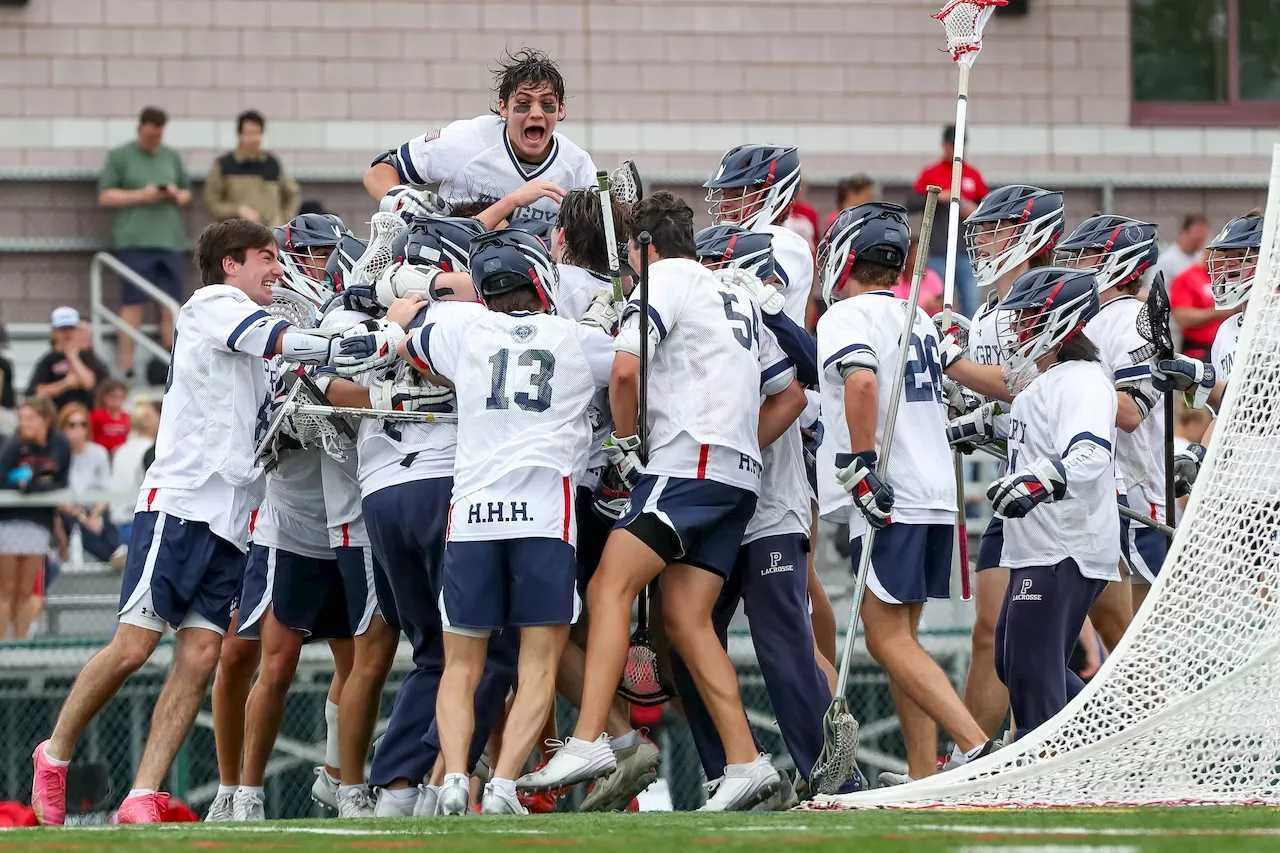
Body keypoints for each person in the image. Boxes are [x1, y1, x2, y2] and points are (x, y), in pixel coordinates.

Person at [29, 218, 408, 826]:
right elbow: (287, 344)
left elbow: (299, 384)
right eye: (265, 257)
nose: (278, 269)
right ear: (229, 264)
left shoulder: (256, 331)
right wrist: (381, 339)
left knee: (202, 656)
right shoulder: (214, 303)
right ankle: (54, 752)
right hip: (181, 503)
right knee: (133, 647)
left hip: (235, 519)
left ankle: (143, 794)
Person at [520, 192, 805, 812]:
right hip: (736, 477)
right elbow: (791, 397)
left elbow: (625, 370)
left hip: (686, 465)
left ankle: (592, 738)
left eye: (630, 253)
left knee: (605, 590)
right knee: (685, 620)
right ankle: (745, 760)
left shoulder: (666, 277)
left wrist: (626, 443)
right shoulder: (732, 291)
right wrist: (734, 444)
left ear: (644, 247)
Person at [395, 229, 618, 816]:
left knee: (460, 665)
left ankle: (452, 779)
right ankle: (502, 786)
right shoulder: (575, 336)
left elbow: (406, 329)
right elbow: (634, 362)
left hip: (472, 514)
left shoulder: (461, 329)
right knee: (537, 661)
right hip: (545, 512)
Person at [816, 202, 995, 786]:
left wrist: (863, 463)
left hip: (894, 491)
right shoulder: (916, 315)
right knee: (905, 640)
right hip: (934, 490)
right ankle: (923, 774)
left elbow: (862, 381)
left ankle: (973, 746)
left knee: (885, 637)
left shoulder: (846, 318)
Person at [940, 185, 1064, 759]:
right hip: (1015, 489)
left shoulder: (1052, 301)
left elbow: (1025, 383)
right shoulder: (988, 310)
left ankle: (1137, 737)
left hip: (1065, 496)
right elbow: (1004, 406)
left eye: (995, 229)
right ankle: (973, 756)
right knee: (991, 633)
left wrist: (956, 362)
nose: (982, 240)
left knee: (1116, 632)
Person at [986, 266, 1119, 736]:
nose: (1018, 329)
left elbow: (1089, 453)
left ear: (1060, 320)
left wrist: (1037, 483)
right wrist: (988, 427)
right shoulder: (1049, 381)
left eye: (1028, 318)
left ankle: (1046, 774)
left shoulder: (1081, 380)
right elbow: (1040, 437)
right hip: (1040, 546)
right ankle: (1108, 735)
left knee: (1031, 671)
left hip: (1064, 545)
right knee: (1013, 661)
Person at [1057, 215, 1164, 615]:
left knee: (1144, 634)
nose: (1076, 264)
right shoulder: (1090, 318)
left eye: (1087, 256)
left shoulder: (1131, 320)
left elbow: (1131, 410)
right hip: (1097, 484)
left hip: (1137, 488)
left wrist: (1069, 382)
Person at [363, 48, 596, 224]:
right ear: (503, 108)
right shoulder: (468, 140)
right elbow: (379, 171)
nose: (536, 113)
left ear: (561, 109)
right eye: (523, 104)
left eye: (547, 104)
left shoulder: (577, 165)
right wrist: (399, 198)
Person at [1153, 211, 1264, 489]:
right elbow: (1224, 418)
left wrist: (1200, 380)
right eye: (1228, 257)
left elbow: (1262, 409)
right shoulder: (1227, 331)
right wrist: (1201, 455)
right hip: (1241, 489)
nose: (1230, 267)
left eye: (1243, 257)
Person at [98, 107, 192, 381]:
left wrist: (174, 195)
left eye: (159, 136)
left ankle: (172, 365)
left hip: (169, 241)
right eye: (150, 135)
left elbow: (187, 194)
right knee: (133, 302)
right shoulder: (120, 156)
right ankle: (126, 368)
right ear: (140, 129)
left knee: (170, 305)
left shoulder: (170, 156)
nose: (155, 141)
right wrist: (142, 195)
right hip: (136, 241)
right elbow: (105, 196)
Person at [0, 397, 69, 640]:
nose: (24, 423)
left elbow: (60, 480)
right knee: (6, 590)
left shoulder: (59, 443)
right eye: (22, 418)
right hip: (9, 522)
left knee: (26, 590)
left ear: (45, 420)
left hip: (39, 522)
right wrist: (26, 483)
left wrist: (33, 486)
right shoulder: (14, 443)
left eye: (30, 418)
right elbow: (1, 477)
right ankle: (3, 648)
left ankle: (19, 644)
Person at [910, 124, 987, 318]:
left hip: (965, 251)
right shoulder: (932, 173)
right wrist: (937, 196)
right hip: (939, 251)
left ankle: (969, 344)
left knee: (970, 303)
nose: (954, 150)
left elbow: (987, 206)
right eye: (952, 145)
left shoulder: (972, 174)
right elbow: (911, 203)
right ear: (944, 146)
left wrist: (975, 210)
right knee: (939, 304)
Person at [204, 110, 301, 228]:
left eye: (257, 133)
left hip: (271, 235)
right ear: (240, 135)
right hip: (237, 235)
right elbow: (212, 203)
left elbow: (292, 193)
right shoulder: (224, 165)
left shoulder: (272, 163)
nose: (253, 139)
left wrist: (284, 220)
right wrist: (237, 210)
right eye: (249, 133)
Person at [55, 403, 117, 564]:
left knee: (107, 523)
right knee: (80, 525)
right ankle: (112, 558)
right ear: (62, 428)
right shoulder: (57, 455)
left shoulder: (99, 453)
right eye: (72, 425)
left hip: (94, 507)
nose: (78, 429)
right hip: (69, 510)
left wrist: (95, 514)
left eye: (83, 424)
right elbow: (59, 498)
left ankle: (117, 554)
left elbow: (105, 490)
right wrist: (83, 516)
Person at [26, 307, 108, 413]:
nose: (68, 334)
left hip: (86, 415)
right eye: (63, 329)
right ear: (54, 332)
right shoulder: (48, 361)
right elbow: (37, 392)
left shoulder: (88, 357)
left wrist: (73, 357)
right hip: (58, 415)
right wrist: (66, 383)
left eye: (71, 329)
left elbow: (89, 383)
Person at [1169, 256, 1234, 363]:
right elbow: (1182, 317)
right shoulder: (1187, 277)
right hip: (1199, 351)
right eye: (1226, 256)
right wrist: (1218, 312)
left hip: (1226, 347)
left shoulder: (1227, 278)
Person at [1153, 213, 1210, 293]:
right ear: (1183, 233)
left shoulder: (1202, 260)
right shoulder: (1166, 262)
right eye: (1195, 240)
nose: (1198, 244)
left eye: (1201, 240)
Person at [90, 379, 131, 455]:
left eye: (121, 396)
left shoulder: (127, 417)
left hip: (121, 453)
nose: (117, 400)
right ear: (103, 397)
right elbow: (91, 436)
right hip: (102, 453)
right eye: (113, 396)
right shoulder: (97, 415)